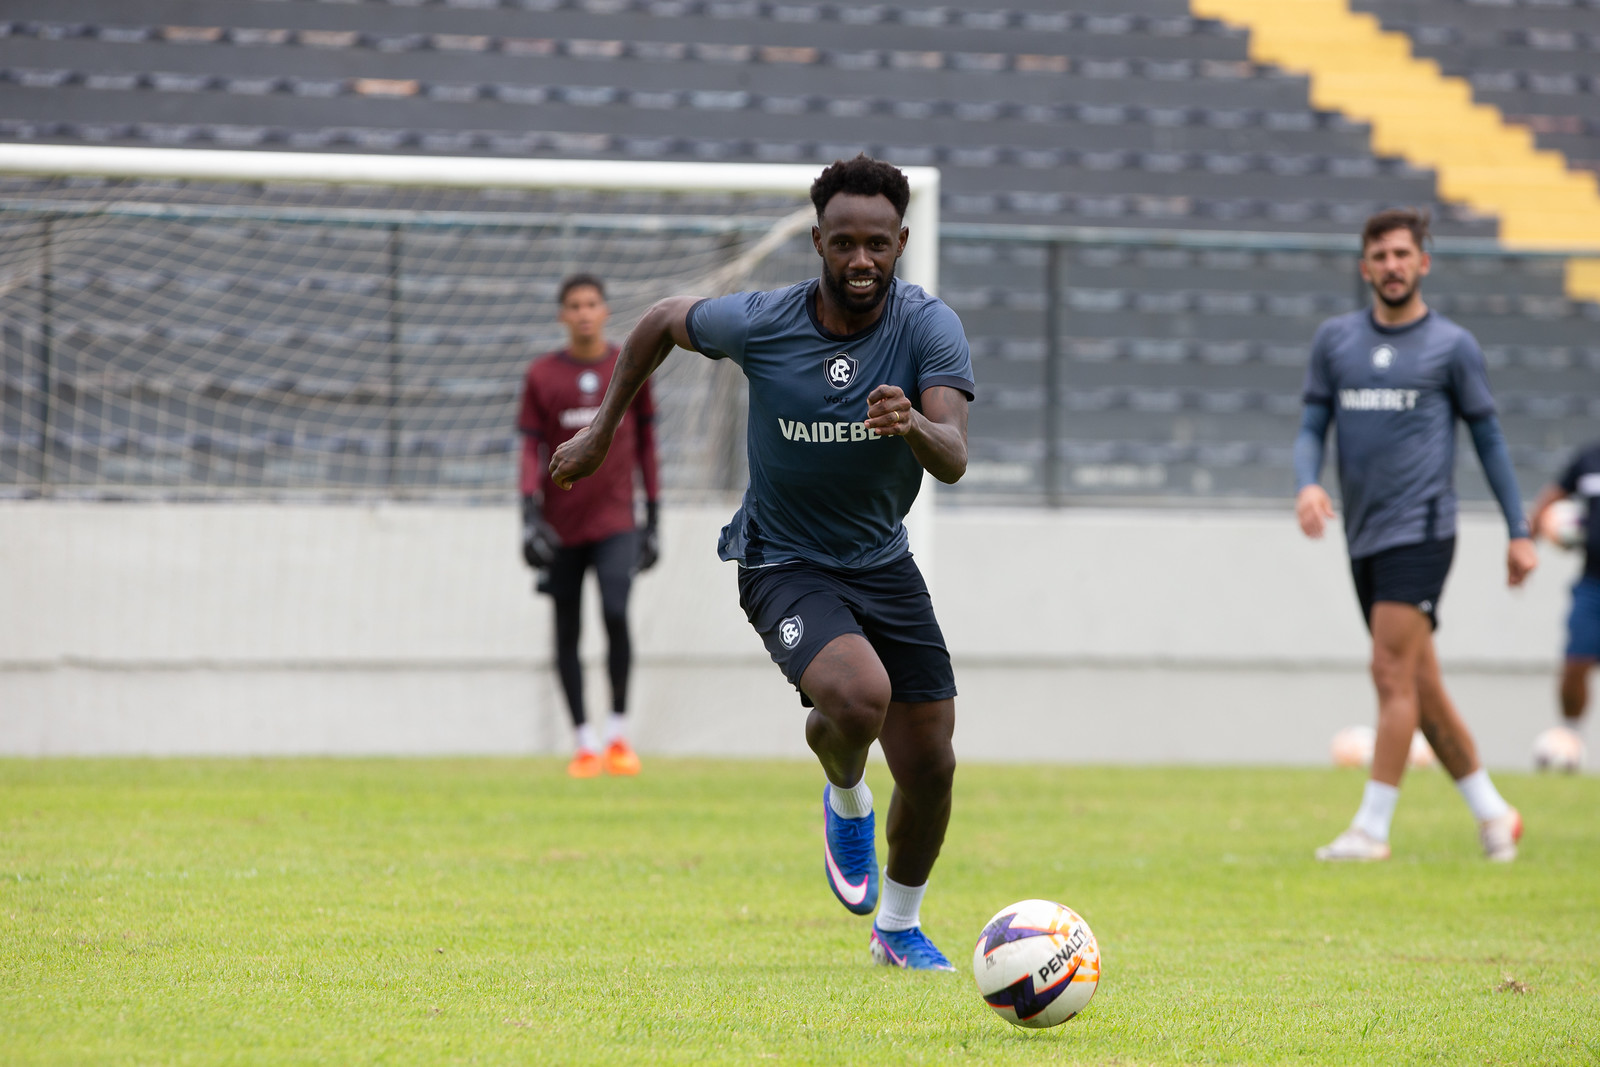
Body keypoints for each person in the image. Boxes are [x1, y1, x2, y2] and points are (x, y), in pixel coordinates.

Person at [550, 156, 975, 969]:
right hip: (782, 559)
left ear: (901, 242)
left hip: (882, 560)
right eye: (844, 242)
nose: (861, 260)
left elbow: (953, 456)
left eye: (877, 244)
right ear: (817, 240)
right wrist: (604, 428)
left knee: (932, 764)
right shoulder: (764, 321)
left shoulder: (927, 327)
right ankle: (846, 794)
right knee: (859, 700)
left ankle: (897, 927)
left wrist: (913, 424)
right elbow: (661, 320)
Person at [1293, 207, 1537, 862]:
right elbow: (1312, 425)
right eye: (1381, 255)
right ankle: (1494, 814)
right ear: (1364, 265)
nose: (1393, 265)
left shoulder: (1451, 346)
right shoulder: (1336, 342)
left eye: (1404, 254)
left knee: (1388, 669)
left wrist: (1519, 529)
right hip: (1364, 533)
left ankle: (1372, 829)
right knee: (1419, 686)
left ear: (1423, 262)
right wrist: (1307, 482)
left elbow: (1489, 440)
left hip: (1423, 529)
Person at [517, 274, 661, 779]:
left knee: (617, 613)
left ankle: (618, 735)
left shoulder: (630, 366)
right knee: (566, 629)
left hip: (617, 520)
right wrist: (528, 518)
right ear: (562, 314)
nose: (583, 312)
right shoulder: (541, 375)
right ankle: (584, 742)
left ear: (605, 311)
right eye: (574, 305)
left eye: (592, 304)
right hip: (560, 525)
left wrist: (654, 518)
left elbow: (646, 446)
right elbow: (530, 451)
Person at [1529, 439, 1600, 741]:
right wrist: (1526, 540)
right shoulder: (1589, 458)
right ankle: (1570, 738)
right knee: (1575, 663)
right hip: (1593, 582)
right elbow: (1551, 497)